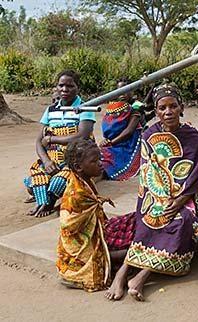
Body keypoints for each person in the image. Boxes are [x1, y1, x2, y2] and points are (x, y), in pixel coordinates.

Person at [105, 84, 198, 302]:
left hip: (184, 197)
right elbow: (147, 173)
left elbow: (196, 172)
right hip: (154, 194)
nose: (168, 112)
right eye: (162, 108)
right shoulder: (149, 134)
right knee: (150, 217)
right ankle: (124, 271)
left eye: (173, 106)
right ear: (157, 110)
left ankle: (141, 275)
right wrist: (159, 199)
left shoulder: (192, 136)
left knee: (183, 221)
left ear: (181, 108)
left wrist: (179, 200)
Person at [24, 70, 95, 218]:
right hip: (52, 159)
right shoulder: (50, 110)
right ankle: (44, 199)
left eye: (70, 86)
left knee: (57, 183)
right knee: (33, 183)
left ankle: (47, 203)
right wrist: (46, 161)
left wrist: (51, 139)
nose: (64, 89)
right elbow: (39, 141)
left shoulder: (86, 107)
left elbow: (82, 136)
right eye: (61, 85)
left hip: (73, 160)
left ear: (78, 87)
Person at [56, 139, 118, 291]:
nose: (100, 163)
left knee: (133, 221)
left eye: (100, 159)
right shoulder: (75, 194)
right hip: (81, 247)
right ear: (78, 167)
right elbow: (67, 224)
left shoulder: (84, 181)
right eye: (94, 161)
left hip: (95, 232)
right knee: (132, 247)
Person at [100, 77, 142, 181]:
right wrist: (106, 140)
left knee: (109, 163)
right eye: (120, 91)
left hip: (128, 145)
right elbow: (110, 128)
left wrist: (111, 142)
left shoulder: (135, 109)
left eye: (126, 91)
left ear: (132, 92)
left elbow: (128, 132)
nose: (122, 95)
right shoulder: (114, 109)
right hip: (114, 143)